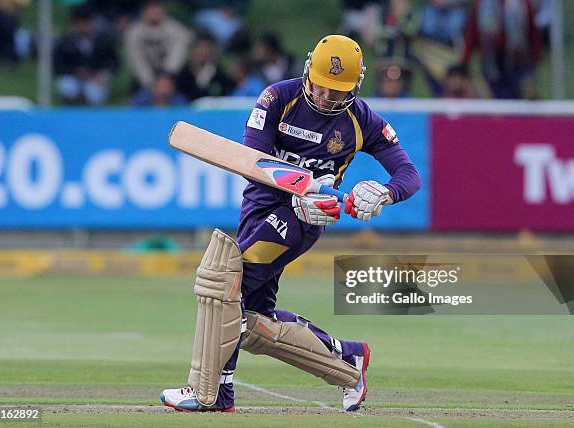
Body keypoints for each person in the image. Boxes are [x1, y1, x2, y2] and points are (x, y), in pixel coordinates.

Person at [160, 35, 421, 413]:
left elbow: (408, 174)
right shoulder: (278, 98)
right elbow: (252, 160)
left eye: (338, 91)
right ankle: (349, 359)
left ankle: (214, 393)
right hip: (259, 207)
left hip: (301, 219)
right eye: (320, 86)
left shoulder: (361, 119)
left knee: (226, 286)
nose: (326, 97)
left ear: (356, 84)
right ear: (307, 69)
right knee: (254, 323)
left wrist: (384, 192)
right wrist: (307, 183)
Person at [460, 0, 542, 99]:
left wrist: (535, 60)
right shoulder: (481, 5)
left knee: (518, 101)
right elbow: (472, 34)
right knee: (494, 102)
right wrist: (464, 60)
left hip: (517, 63)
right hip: (490, 63)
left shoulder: (523, 4)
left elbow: (534, 34)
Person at [54, 5, 119, 105]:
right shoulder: (66, 41)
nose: (82, 28)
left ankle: (84, 101)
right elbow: (57, 66)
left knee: (95, 93)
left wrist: (104, 75)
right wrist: (75, 71)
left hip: (95, 78)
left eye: (85, 24)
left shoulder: (104, 40)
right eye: (79, 24)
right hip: (74, 78)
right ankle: (74, 101)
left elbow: (114, 63)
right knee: (65, 86)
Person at [125, 0, 193, 91]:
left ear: (163, 12)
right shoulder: (134, 33)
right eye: (151, 11)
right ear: (144, 13)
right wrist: (150, 82)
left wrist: (165, 79)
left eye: (157, 11)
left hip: (171, 79)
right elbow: (137, 61)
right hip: (143, 81)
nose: (154, 14)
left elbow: (178, 56)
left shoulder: (177, 30)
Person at [176, 32, 233, 100]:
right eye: (199, 47)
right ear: (193, 51)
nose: (203, 51)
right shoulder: (184, 73)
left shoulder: (219, 74)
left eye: (206, 47)